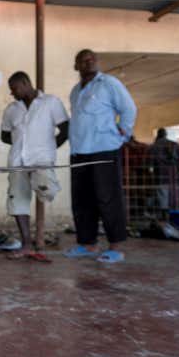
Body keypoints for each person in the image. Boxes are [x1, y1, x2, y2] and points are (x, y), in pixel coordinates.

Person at [63, 49, 137, 263]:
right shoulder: (76, 91)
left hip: (104, 149)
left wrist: (122, 135)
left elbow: (128, 109)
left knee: (108, 198)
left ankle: (115, 247)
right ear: (76, 66)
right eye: (83, 60)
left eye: (92, 59)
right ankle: (87, 244)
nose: (89, 62)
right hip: (79, 152)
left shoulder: (109, 83)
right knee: (82, 200)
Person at [0, 72, 69, 262]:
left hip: (41, 159)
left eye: (14, 89)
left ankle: (37, 237)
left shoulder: (50, 102)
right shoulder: (12, 109)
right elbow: (4, 136)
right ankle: (27, 245)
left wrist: (49, 147)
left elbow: (65, 129)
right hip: (17, 161)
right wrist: (21, 141)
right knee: (18, 200)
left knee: (47, 189)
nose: (12, 93)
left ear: (25, 83)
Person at [148, 128, 179, 210]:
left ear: (157, 135)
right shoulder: (174, 145)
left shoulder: (153, 147)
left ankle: (165, 217)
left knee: (163, 199)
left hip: (161, 177)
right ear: (166, 134)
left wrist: (150, 174)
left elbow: (149, 164)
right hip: (177, 176)